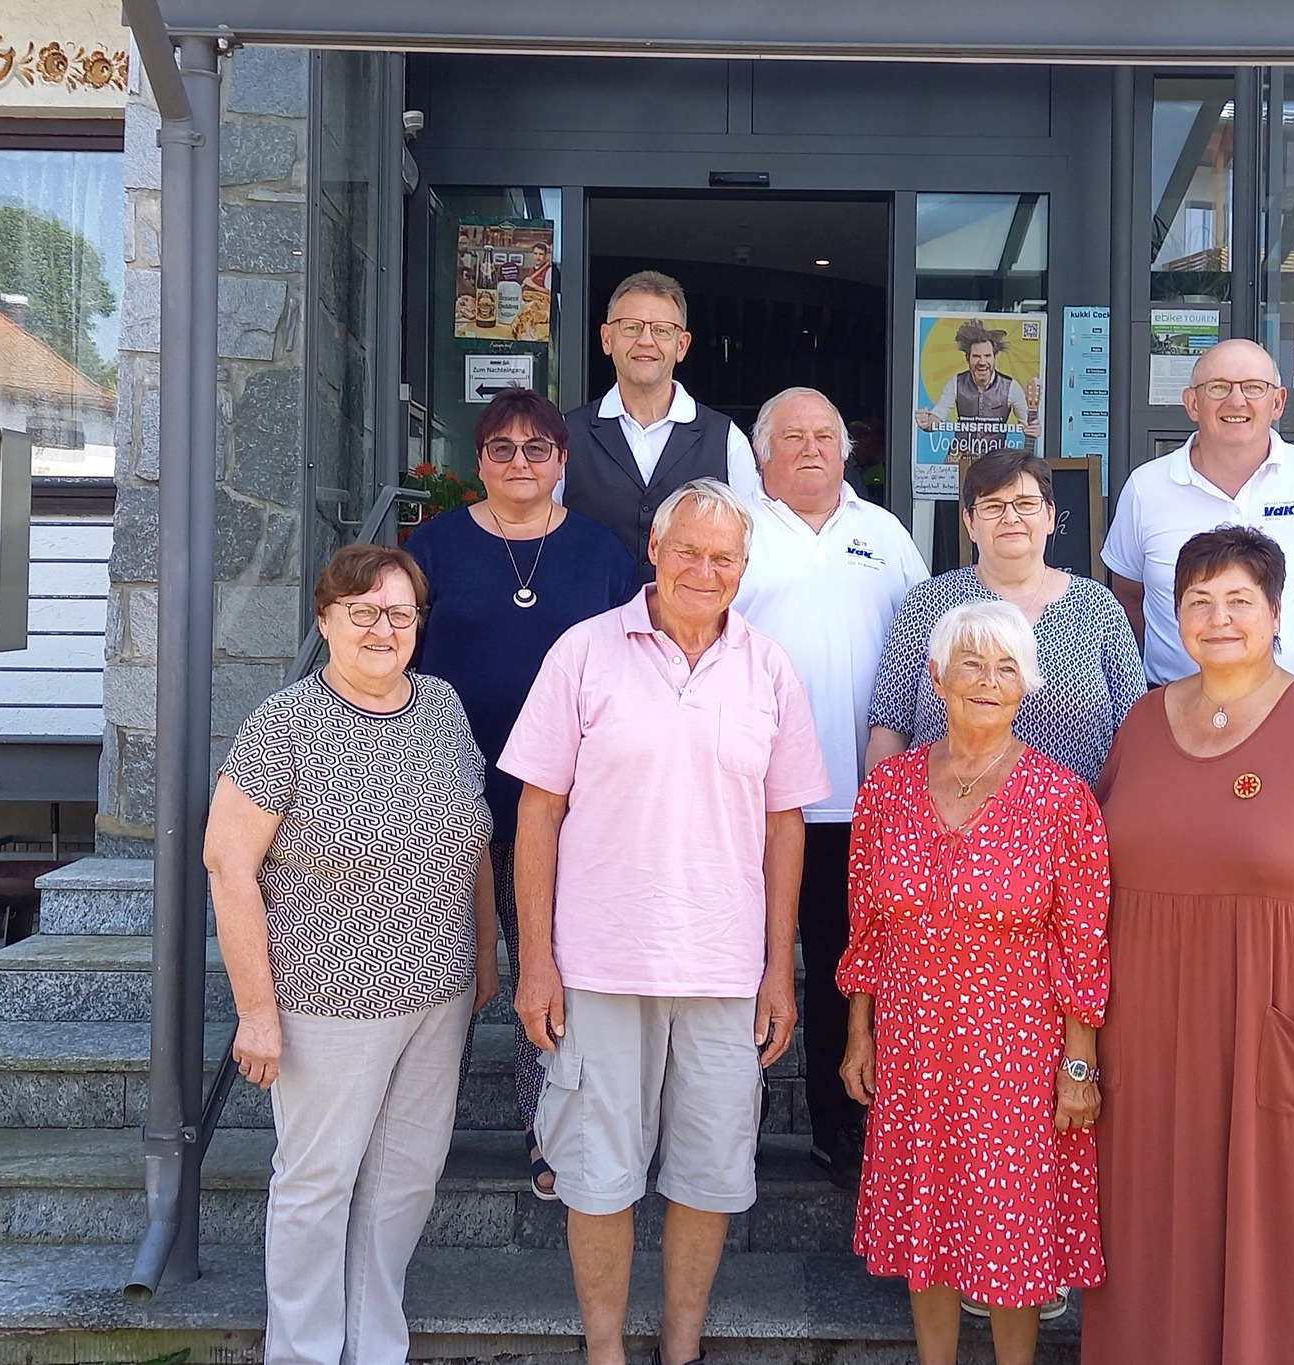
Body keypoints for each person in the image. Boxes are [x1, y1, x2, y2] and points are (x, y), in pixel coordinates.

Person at [500, 479, 830, 1365]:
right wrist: (537, 960)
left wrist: (778, 968)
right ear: (654, 547)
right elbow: (537, 811)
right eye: (688, 549)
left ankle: (680, 1346)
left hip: (724, 971)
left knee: (711, 1175)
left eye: (724, 557)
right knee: (597, 1179)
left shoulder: (768, 667)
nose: (704, 569)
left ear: (744, 568)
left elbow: (784, 824)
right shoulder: (584, 652)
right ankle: (604, 1348)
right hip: (600, 962)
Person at [1083, 526, 1294, 1365]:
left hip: (1288, 1032)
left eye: (1238, 600)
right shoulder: (1142, 722)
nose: (1218, 617)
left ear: (1276, 613)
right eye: (1198, 601)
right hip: (1153, 1042)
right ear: (1173, 616)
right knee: (1159, 1232)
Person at [205, 543, 498, 1365]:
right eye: (363, 610)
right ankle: (300, 1352)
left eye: (399, 613)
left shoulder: (441, 705)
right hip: (324, 1003)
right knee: (317, 1185)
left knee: (404, 1182)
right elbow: (228, 863)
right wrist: (255, 1010)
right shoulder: (285, 723)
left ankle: (374, 1347)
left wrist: (485, 953)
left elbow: (473, 836)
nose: (383, 627)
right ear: (327, 619)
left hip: (436, 999)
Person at [839, 599, 1110, 1365]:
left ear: (1027, 686)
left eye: (1006, 668)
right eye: (971, 663)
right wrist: (860, 1032)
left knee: (1009, 1233)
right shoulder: (886, 791)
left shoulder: (1063, 800)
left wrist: (1079, 1065)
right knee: (925, 1222)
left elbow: (1082, 945)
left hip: (1017, 1055)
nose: (987, 681)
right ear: (936, 676)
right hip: (914, 1044)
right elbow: (867, 927)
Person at [405, 387, 637, 1199]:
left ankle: (548, 1135)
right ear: (480, 463)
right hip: (448, 798)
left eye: (537, 448)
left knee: (550, 973)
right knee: (452, 974)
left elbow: (635, 664)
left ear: (561, 462)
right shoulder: (433, 548)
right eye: (501, 449)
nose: (520, 463)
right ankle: (417, 1141)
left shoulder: (604, 554)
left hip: (566, 808)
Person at [732, 386, 927, 1188]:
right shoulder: (735, 528)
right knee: (747, 966)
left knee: (852, 969)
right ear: (762, 452)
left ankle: (839, 1128)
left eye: (825, 435)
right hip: (751, 803)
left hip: (864, 804)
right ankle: (729, 1130)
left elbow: (923, 643)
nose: (811, 448)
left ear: (847, 451)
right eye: (793, 436)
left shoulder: (882, 533)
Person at [867, 450, 1143, 787]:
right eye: (993, 506)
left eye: (1026, 504)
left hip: (1072, 828)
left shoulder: (1098, 607)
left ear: (1050, 516)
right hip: (947, 828)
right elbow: (889, 727)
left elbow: (1134, 734)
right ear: (970, 522)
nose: (1011, 517)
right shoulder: (927, 603)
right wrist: (889, 814)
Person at [1101, 337, 1294, 688]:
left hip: (1292, 710)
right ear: (1192, 402)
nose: (1236, 400)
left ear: (1278, 401)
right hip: (1175, 709)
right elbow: (1130, 598)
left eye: (1254, 387)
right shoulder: (1146, 487)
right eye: (1218, 387)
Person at [563, 269, 762, 577]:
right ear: (606, 338)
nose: (646, 341)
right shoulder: (564, 435)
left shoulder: (727, 440)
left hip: (691, 623)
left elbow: (750, 549)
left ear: (681, 345)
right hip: (590, 622)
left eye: (662, 330)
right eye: (631, 327)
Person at [914, 319, 1042, 454]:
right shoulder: (956, 383)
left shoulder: (1011, 387)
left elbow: (1028, 424)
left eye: (987, 356)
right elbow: (937, 416)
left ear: (994, 358)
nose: (982, 362)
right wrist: (927, 422)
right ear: (967, 358)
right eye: (976, 356)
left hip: (994, 461)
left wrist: (1034, 428)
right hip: (960, 457)